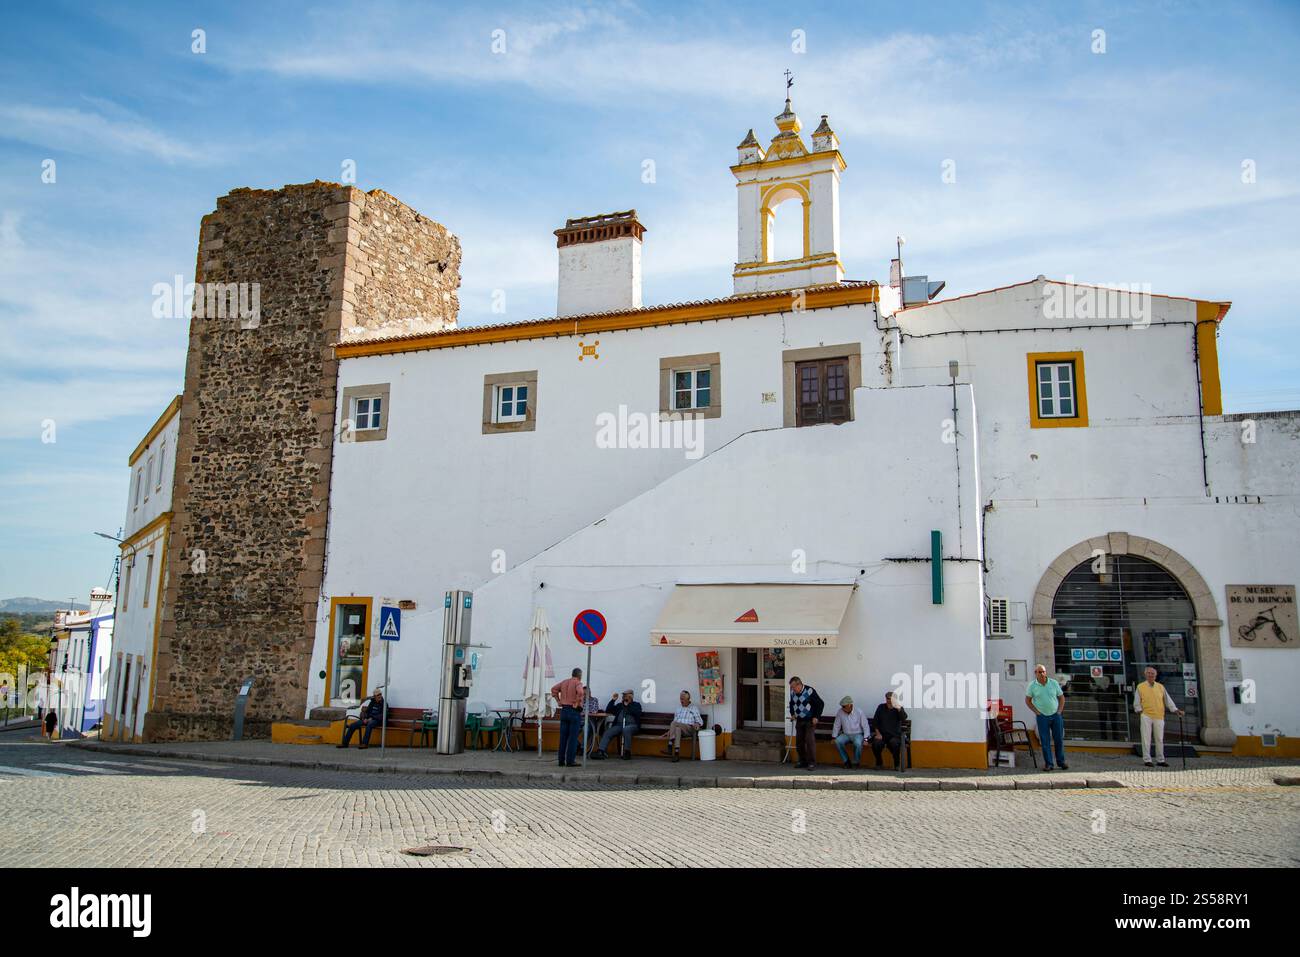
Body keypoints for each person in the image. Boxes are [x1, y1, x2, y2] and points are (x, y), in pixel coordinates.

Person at [1134, 666, 1184, 767]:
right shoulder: (1140, 686)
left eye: (1152, 673)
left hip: (1159, 716)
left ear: (1156, 675)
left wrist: (1175, 710)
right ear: (1145, 675)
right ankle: (1147, 759)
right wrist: (1139, 711)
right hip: (1146, 715)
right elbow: (1137, 701)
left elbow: (1167, 700)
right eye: (1149, 673)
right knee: (1146, 738)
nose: (1151, 675)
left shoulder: (1160, 687)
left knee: (1159, 738)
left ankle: (1160, 759)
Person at [1025, 665, 1068, 771]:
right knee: (1045, 741)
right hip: (1042, 717)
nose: (1042, 674)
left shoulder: (1053, 683)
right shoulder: (1032, 686)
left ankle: (1061, 762)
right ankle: (1049, 764)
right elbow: (1028, 700)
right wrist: (1037, 712)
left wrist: (1059, 711)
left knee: (1058, 739)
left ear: (1046, 672)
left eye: (1043, 671)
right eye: (1039, 672)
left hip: (1055, 715)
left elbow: (1061, 698)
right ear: (1035, 673)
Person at [550, 667, 586, 767]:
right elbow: (581, 692)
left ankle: (561, 760)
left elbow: (553, 689)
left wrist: (558, 701)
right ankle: (570, 761)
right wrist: (577, 702)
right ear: (579, 675)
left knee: (563, 737)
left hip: (564, 711)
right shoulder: (578, 683)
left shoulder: (564, 682)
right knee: (573, 738)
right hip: (574, 711)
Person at [787, 676, 824, 771]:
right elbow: (791, 703)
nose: (792, 689)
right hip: (799, 720)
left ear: (799, 685)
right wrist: (792, 714)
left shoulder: (809, 691)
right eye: (791, 687)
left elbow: (820, 704)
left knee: (809, 740)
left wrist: (816, 716)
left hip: (810, 720)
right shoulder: (792, 692)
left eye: (793, 687)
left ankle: (812, 762)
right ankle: (802, 761)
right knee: (799, 741)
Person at [592, 689, 641, 760]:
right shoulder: (620, 705)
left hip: (632, 725)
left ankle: (627, 752)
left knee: (626, 730)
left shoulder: (636, 705)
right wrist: (613, 700)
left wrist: (628, 705)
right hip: (619, 725)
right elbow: (608, 710)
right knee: (608, 732)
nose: (623, 697)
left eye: (625, 695)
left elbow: (637, 713)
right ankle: (601, 751)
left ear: (631, 696)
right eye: (623, 695)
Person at [869, 691, 909, 769]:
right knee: (876, 743)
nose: (889, 700)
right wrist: (878, 733)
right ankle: (879, 763)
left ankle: (897, 764)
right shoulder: (881, 707)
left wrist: (899, 709)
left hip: (895, 735)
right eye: (888, 698)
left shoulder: (899, 708)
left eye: (891, 699)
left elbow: (904, 718)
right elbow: (875, 722)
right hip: (882, 735)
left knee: (894, 743)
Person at [661, 690, 702, 762]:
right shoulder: (678, 708)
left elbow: (700, 721)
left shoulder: (694, 708)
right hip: (680, 729)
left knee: (674, 723)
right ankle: (676, 754)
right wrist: (669, 731)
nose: (681, 701)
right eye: (680, 699)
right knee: (677, 729)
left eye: (683, 699)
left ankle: (670, 745)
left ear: (688, 699)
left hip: (689, 729)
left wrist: (697, 724)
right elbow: (675, 722)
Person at [832, 695, 869, 768]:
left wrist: (866, 739)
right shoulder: (840, 712)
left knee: (858, 743)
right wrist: (834, 736)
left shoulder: (859, 712)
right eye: (842, 706)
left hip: (858, 734)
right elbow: (837, 725)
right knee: (838, 741)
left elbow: (865, 726)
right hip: (846, 734)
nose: (842, 708)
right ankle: (846, 761)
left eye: (844, 706)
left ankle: (856, 762)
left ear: (850, 705)